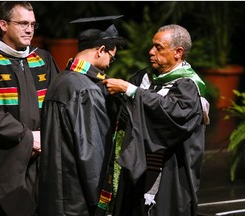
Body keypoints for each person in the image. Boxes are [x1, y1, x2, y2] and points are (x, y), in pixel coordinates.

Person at [0, 2, 59, 216]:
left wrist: (47, 135)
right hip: (3, 163)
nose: (29, 29)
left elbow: (57, 104)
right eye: (23, 23)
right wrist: (27, 138)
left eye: (33, 24)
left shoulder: (42, 59)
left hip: (40, 161)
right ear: (3, 24)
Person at [102, 24, 210, 216]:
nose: (151, 52)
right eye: (152, 46)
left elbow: (170, 115)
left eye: (158, 47)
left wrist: (131, 91)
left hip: (171, 172)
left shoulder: (189, 86)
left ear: (178, 52)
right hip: (137, 173)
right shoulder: (144, 77)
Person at [38, 16, 125, 216]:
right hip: (78, 199)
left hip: (53, 192)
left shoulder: (59, 81)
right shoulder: (86, 90)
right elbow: (92, 154)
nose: (110, 64)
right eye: (112, 57)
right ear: (101, 50)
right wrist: (103, 201)